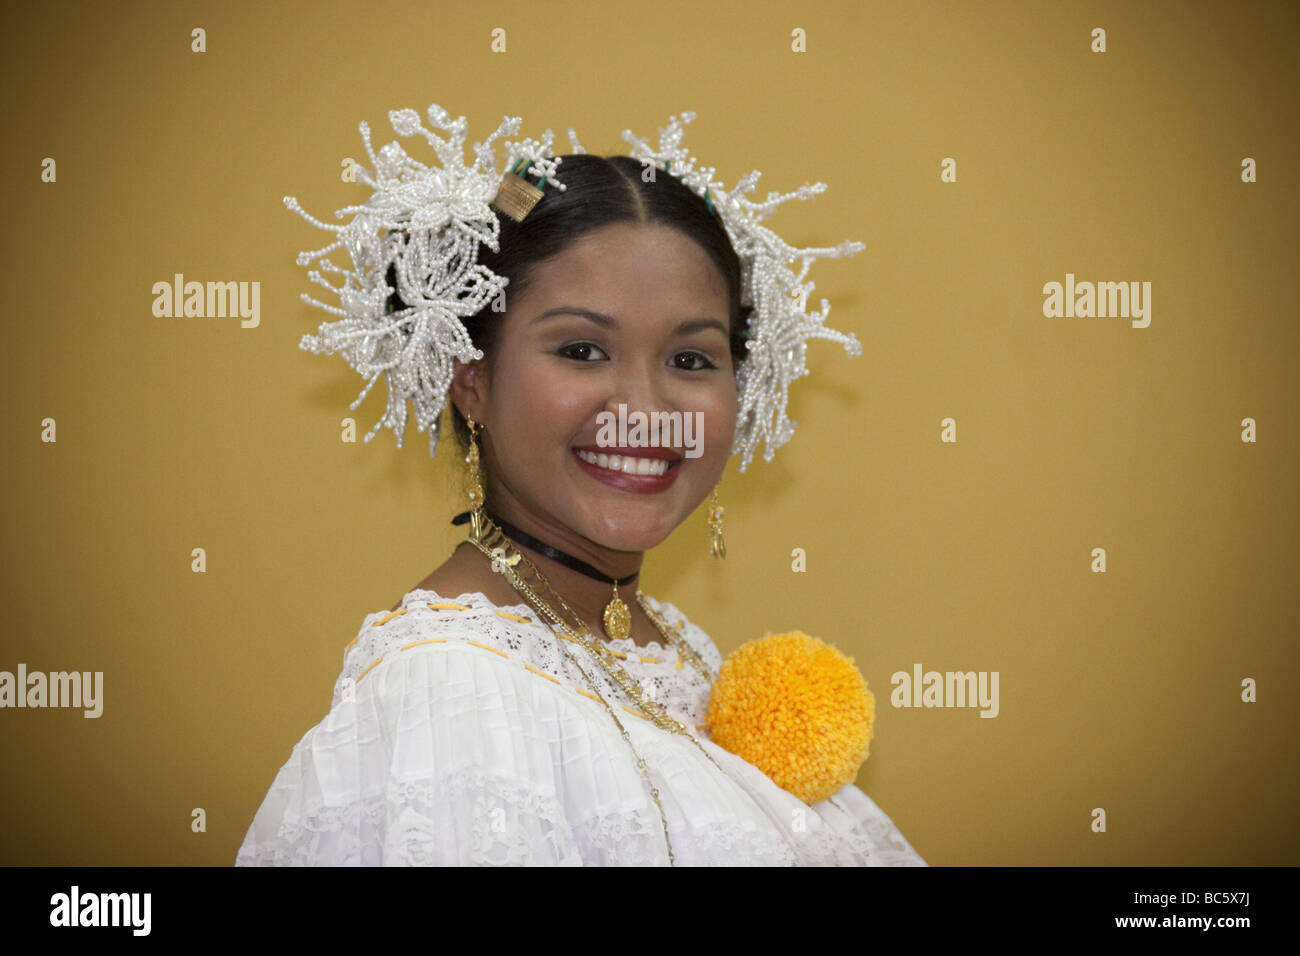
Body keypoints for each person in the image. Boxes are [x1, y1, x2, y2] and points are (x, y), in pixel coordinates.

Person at [236, 107, 927, 865]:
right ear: (470, 378)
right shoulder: (451, 693)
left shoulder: (672, 650)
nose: (645, 412)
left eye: (692, 360)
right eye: (581, 349)